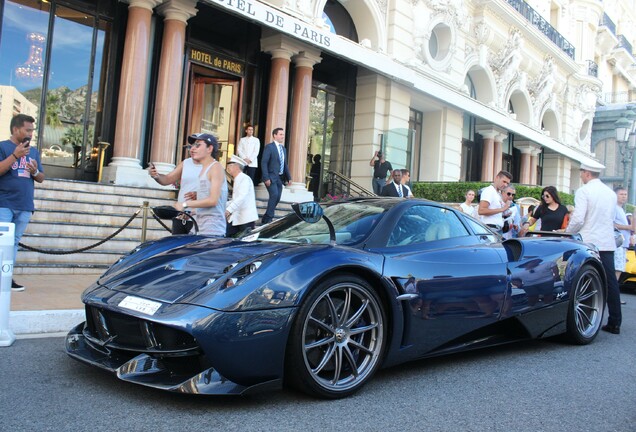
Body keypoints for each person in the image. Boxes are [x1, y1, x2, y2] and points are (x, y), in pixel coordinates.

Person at [565, 163, 621, 335]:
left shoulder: (584, 191)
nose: (581, 176)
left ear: (587, 173)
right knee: (611, 282)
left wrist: (567, 233)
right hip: (606, 242)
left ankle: (587, 317)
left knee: (583, 279)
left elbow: (579, 219)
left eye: (581, 173)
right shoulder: (610, 194)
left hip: (588, 241)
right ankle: (615, 321)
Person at [0, 114, 44, 292]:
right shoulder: (3, 147)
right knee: (2, 243)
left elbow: (41, 177)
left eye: (32, 130)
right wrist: (14, 156)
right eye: (28, 130)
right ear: (15, 129)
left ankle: (6, 277)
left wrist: (34, 171)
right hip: (4, 203)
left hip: (25, 205)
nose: (31, 134)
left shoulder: (33, 152)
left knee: (15, 243)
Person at [172, 133, 227, 236]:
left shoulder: (216, 168)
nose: (192, 149)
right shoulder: (204, 169)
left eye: (198, 145)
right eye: (192, 146)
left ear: (209, 149)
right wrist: (190, 212)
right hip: (199, 227)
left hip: (212, 230)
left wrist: (185, 204)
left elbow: (213, 200)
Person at [150, 135, 202, 234]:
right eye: (190, 146)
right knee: (177, 248)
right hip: (180, 216)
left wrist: (200, 194)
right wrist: (156, 176)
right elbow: (167, 179)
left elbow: (216, 196)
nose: (192, 149)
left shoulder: (213, 166)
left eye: (196, 146)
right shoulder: (186, 163)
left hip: (199, 219)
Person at [261, 128, 291, 224]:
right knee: (274, 195)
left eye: (283, 134)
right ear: (274, 135)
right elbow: (264, 162)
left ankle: (266, 218)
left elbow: (284, 164)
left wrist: (289, 177)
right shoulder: (269, 147)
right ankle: (269, 218)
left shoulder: (283, 149)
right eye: (281, 134)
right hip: (270, 177)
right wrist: (266, 178)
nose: (282, 136)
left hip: (279, 178)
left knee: (277, 198)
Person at [225, 155, 258, 236]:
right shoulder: (238, 179)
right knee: (227, 235)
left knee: (246, 241)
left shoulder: (244, 179)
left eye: (230, 165)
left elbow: (241, 197)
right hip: (238, 217)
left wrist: (229, 210)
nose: (228, 168)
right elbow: (235, 199)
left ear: (236, 167)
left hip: (246, 218)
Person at [614, 187, 630, 305]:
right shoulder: (614, 208)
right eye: (621, 194)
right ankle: (613, 297)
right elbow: (612, 224)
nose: (624, 196)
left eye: (625, 194)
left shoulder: (621, 209)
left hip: (623, 244)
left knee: (619, 271)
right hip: (617, 243)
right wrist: (628, 227)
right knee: (617, 271)